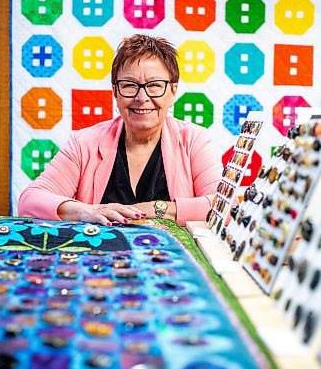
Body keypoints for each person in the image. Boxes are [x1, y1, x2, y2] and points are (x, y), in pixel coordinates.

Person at [18, 34, 222, 226]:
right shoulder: (84, 143)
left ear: (173, 91)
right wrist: (86, 211)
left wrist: (157, 208)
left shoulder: (195, 140)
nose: (142, 97)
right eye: (130, 85)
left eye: (154, 85)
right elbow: (29, 201)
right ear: (115, 91)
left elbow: (223, 208)